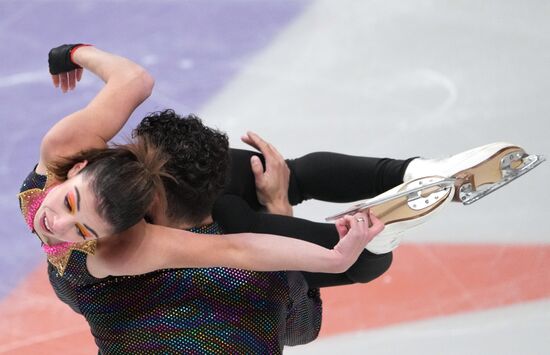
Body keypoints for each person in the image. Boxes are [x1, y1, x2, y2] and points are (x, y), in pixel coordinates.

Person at [18, 44, 385, 353]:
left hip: (93, 289)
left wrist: (335, 259)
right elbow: (135, 80)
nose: (57, 226)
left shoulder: (125, 250)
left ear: (118, 233)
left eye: (83, 229)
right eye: (68, 202)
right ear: (78, 167)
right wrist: (75, 53)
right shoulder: (64, 146)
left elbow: (237, 251)